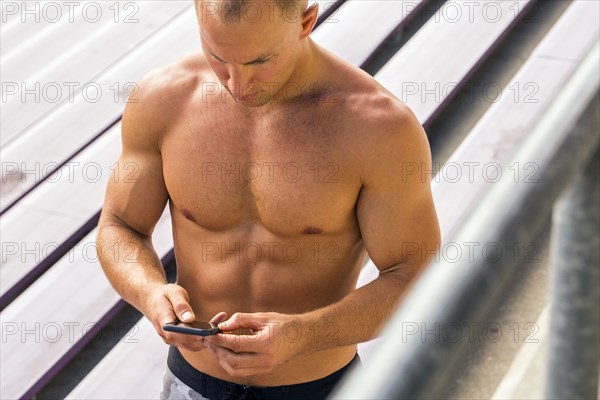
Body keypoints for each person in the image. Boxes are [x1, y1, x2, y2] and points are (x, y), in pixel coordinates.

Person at [97, 0, 441, 399]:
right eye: (218, 57)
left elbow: (414, 275)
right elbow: (119, 225)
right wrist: (149, 292)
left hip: (317, 387)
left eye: (261, 61)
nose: (238, 85)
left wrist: (303, 335)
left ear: (305, 21)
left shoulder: (378, 129)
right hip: (191, 383)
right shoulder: (162, 100)